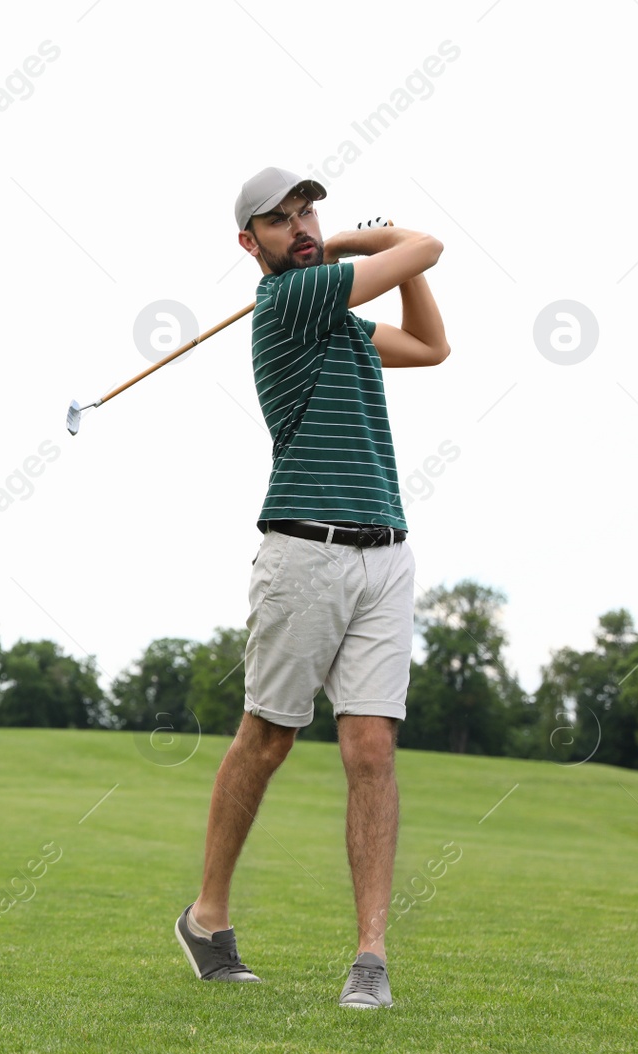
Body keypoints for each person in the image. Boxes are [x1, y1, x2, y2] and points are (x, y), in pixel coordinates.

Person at [173, 166, 449, 1009]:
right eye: (279, 219)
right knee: (269, 736)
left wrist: (391, 259)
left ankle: (371, 956)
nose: (300, 223)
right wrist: (371, 238)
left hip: (385, 551)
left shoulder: (340, 320)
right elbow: (424, 244)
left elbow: (432, 346)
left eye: (307, 210)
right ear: (248, 243)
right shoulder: (290, 305)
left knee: (372, 749)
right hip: (302, 551)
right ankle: (207, 916)